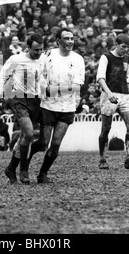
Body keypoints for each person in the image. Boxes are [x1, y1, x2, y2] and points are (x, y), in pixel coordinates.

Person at [28, 28, 85, 183]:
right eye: (66, 38)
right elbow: (40, 76)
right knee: (42, 143)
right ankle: (24, 161)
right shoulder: (48, 55)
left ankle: (42, 174)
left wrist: (53, 90)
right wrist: (44, 88)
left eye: (72, 38)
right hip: (48, 105)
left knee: (56, 144)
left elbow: (76, 86)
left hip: (67, 107)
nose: (70, 41)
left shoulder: (78, 59)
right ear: (58, 41)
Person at [0, 33, 46, 184]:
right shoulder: (16, 59)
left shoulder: (43, 59)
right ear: (28, 48)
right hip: (19, 98)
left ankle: (11, 168)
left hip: (35, 99)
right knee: (29, 133)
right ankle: (24, 171)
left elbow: (43, 78)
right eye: (35, 50)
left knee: (26, 138)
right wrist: (1, 92)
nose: (38, 53)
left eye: (41, 50)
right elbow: (3, 73)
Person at [96, 33, 129, 170]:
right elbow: (100, 78)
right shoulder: (106, 57)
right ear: (117, 44)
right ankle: (102, 158)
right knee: (106, 128)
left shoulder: (127, 59)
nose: (126, 50)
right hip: (109, 94)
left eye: (128, 47)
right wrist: (109, 93)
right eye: (124, 47)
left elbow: (128, 77)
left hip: (124, 95)